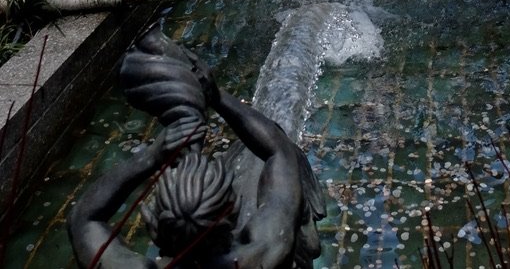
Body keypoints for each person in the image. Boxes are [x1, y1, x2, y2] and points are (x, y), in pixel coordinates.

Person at [68, 27, 325, 268]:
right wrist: (216, 96)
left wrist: (150, 157)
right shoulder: (267, 251)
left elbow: (83, 218)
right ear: (234, 211)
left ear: (152, 226)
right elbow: (279, 150)